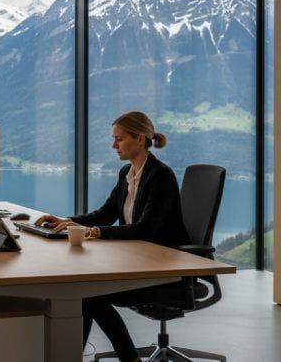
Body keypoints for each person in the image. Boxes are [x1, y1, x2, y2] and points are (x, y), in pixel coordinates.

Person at [35, 111, 189, 362]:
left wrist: (93, 232)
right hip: (138, 260)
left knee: (91, 294)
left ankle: (125, 359)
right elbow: (105, 214)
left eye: (119, 139)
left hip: (164, 269)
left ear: (140, 139)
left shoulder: (161, 177)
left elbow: (144, 229)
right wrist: (67, 221)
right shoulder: (127, 174)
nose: (113, 145)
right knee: (86, 292)